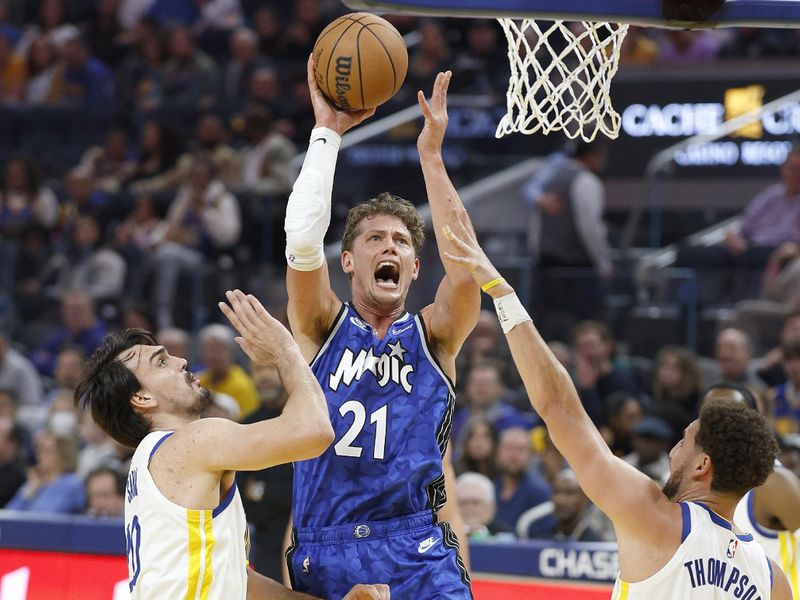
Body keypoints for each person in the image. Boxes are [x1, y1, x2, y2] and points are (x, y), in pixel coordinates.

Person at [441, 207, 792, 599]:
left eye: (685, 441)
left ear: (702, 464)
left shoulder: (655, 518)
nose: (674, 451)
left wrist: (502, 293)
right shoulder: (772, 579)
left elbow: (559, 407)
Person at [282, 62, 474, 598]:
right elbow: (300, 242)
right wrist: (327, 134)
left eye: (402, 242)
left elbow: (466, 271)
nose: (390, 246)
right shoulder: (320, 326)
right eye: (374, 239)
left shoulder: (434, 336)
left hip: (417, 545)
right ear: (346, 260)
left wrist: (431, 159)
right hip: (325, 543)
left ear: (415, 266)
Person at [74, 289, 388, 600]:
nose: (181, 361)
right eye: (160, 362)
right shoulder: (192, 442)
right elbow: (315, 430)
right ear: (142, 398)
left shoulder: (147, 464)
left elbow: (241, 583)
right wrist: (285, 351)